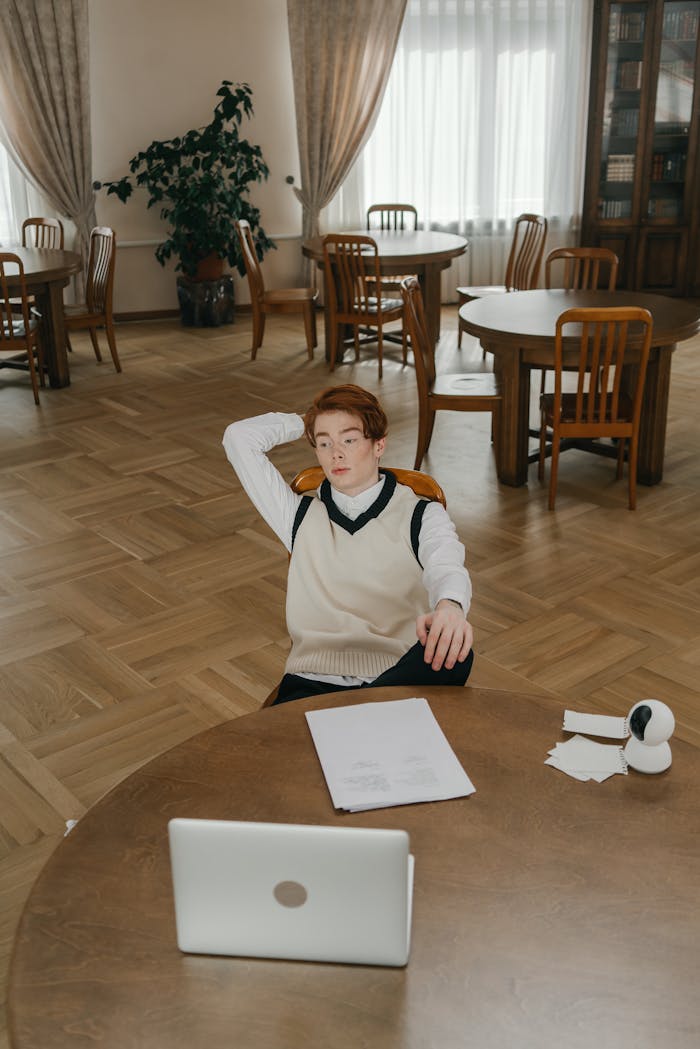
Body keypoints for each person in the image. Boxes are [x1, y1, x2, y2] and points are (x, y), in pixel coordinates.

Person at [222, 383, 474, 703]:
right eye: (324, 443)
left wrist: (450, 607)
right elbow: (238, 437)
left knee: (458, 651)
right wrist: (310, 421)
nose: (336, 453)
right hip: (314, 677)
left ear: (378, 444)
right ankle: (371, 718)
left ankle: (363, 716)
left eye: (350, 439)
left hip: (397, 673)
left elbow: (447, 565)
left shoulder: (421, 513)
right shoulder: (295, 515)